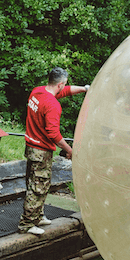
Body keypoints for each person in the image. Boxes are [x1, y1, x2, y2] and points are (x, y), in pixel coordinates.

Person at [18, 68, 89, 235]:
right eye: (63, 85)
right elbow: (53, 133)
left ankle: (38, 216)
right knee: (38, 188)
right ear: (60, 84)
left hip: (31, 147)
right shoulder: (52, 105)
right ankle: (27, 224)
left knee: (35, 183)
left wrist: (85, 89)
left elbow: (63, 91)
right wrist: (69, 149)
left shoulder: (38, 91)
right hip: (41, 151)